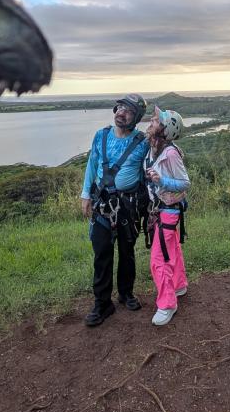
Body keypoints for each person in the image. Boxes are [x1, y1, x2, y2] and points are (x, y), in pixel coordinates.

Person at [80, 93, 150, 327]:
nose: (121, 112)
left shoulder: (142, 142)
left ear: (136, 117)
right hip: (102, 204)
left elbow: (152, 168)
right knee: (102, 254)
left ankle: (126, 293)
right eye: (120, 107)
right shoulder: (101, 136)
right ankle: (102, 303)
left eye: (128, 110)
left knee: (127, 251)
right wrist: (85, 195)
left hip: (129, 206)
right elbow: (92, 164)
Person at [143, 106, 190, 326]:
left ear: (165, 129)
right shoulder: (155, 148)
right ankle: (179, 286)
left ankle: (167, 304)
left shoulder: (170, 153)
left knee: (159, 259)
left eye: (155, 121)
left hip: (168, 210)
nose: (151, 122)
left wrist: (161, 181)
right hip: (160, 209)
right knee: (172, 250)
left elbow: (184, 183)